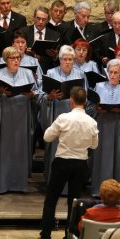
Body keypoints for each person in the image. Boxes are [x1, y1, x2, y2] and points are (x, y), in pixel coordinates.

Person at [32, 86, 99, 239]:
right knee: (74, 202)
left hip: (62, 162)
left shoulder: (63, 118)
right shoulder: (92, 121)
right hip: (81, 164)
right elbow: (94, 145)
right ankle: (70, 238)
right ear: (85, 102)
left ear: (71, 100)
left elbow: (47, 137)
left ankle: (45, 237)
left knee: (51, 200)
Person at [0, 46, 37, 194]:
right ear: (5, 59)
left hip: (22, 116)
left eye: (18, 58)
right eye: (12, 58)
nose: (16, 61)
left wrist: (31, 95)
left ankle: (20, 185)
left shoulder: (28, 73)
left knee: (20, 149)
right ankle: (3, 183)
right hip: (5, 117)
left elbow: (37, 93)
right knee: (5, 150)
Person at [40, 45, 87, 186]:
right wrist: (50, 97)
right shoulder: (51, 73)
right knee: (56, 149)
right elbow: (41, 95)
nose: (68, 62)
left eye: (71, 59)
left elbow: (86, 96)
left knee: (73, 149)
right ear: (59, 60)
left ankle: (71, 185)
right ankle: (53, 183)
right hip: (56, 114)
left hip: (76, 118)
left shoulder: (80, 74)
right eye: (65, 59)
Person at [90, 59, 120, 196]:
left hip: (118, 128)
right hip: (101, 127)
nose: (113, 75)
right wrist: (96, 109)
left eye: (116, 73)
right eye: (111, 72)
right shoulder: (99, 86)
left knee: (117, 158)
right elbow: (90, 107)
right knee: (100, 158)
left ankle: (114, 192)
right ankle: (98, 190)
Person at [19, 6, 61, 74]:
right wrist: (24, 52)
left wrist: (55, 56)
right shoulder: (23, 32)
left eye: (44, 19)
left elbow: (59, 61)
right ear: (34, 18)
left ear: (48, 20)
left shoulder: (55, 35)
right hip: (26, 70)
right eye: (38, 18)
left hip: (47, 71)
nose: (40, 22)